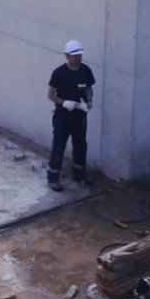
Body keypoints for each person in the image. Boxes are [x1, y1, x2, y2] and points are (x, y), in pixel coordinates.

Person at [47, 40, 95, 191]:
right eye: (74, 56)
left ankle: (79, 175)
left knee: (81, 145)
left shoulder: (85, 71)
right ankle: (53, 178)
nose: (77, 58)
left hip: (79, 116)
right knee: (59, 146)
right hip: (63, 116)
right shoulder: (59, 73)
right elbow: (50, 94)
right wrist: (63, 102)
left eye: (79, 55)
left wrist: (88, 102)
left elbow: (88, 89)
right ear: (66, 56)